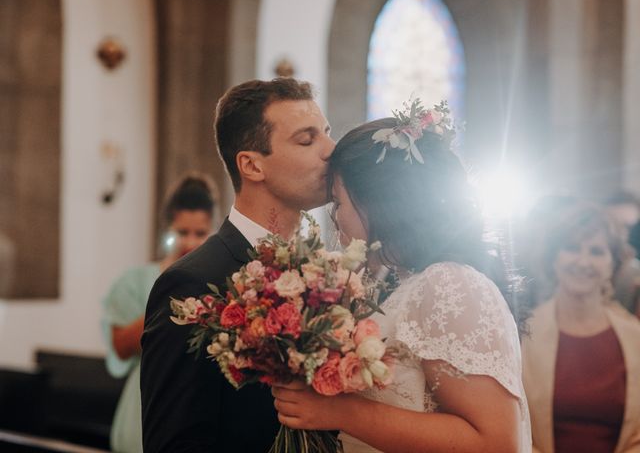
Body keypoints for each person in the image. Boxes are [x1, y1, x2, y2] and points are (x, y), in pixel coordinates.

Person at [272, 103, 531, 452]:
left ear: (379, 202)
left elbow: (496, 442)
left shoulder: (448, 283)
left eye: (339, 202)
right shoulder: (400, 283)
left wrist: (341, 412)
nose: (336, 219)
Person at [140, 78, 334, 452]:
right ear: (252, 165)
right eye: (307, 140)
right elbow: (175, 443)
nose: (330, 150)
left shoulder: (324, 274)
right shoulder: (192, 283)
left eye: (326, 133)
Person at [102, 172, 217, 453]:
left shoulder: (220, 282)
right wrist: (172, 290)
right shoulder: (136, 281)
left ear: (212, 231)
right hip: (147, 398)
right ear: (168, 231)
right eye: (182, 232)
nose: (190, 243)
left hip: (202, 401)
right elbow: (120, 347)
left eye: (200, 234)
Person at [521, 202, 640, 453]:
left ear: (613, 263)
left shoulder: (635, 337)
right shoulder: (524, 333)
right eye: (572, 248)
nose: (583, 261)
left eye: (597, 251)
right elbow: (516, 426)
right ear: (553, 257)